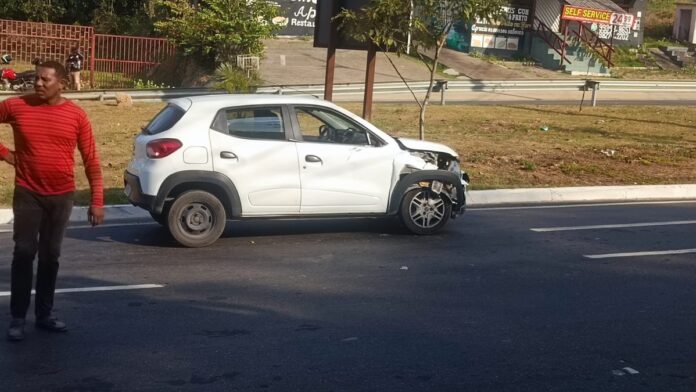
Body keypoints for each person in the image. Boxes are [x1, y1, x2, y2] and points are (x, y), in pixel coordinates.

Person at [0, 60, 104, 342]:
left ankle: (44, 314)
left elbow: (91, 159)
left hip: (61, 196)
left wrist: (97, 200)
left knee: (50, 256)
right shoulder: (17, 106)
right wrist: (6, 154)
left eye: (45, 80)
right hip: (27, 192)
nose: (38, 83)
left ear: (62, 83)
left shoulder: (76, 116)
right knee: (23, 253)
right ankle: (18, 317)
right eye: (36, 78)